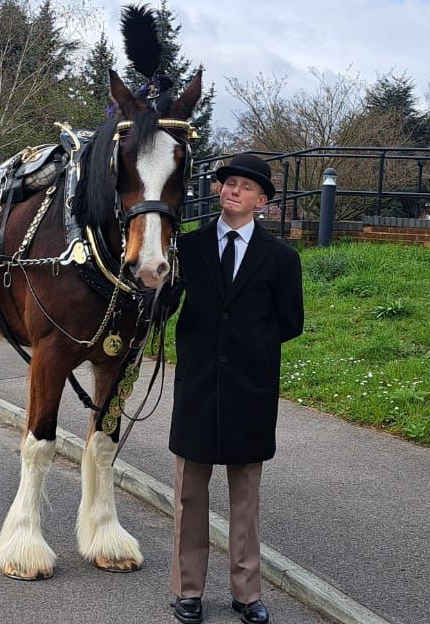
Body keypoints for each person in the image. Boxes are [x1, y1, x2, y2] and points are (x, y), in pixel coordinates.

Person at [168, 153, 304, 624]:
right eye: (228, 183)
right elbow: (165, 303)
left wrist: (249, 349)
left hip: (251, 390)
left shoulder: (282, 259)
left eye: (245, 186)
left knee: (245, 498)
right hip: (198, 386)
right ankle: (187, 589)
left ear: (262, 201)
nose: (233, 191)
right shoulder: (187, 248)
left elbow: (291, 322)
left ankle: (247, 594)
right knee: (189, 494)